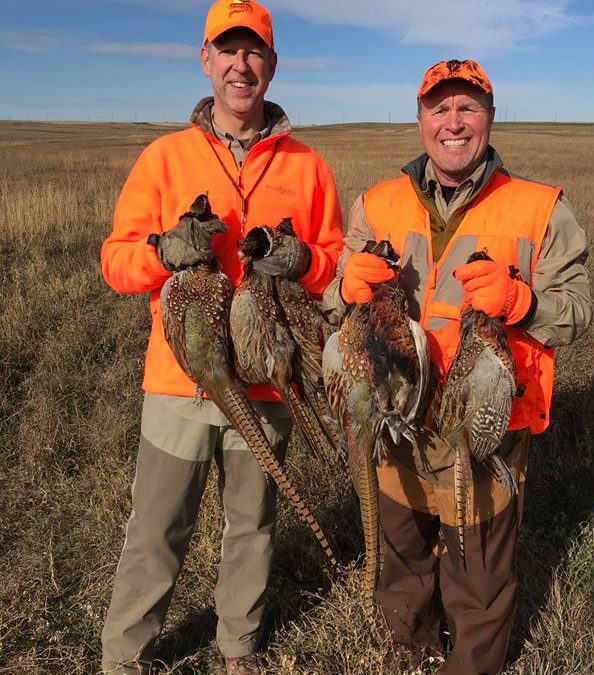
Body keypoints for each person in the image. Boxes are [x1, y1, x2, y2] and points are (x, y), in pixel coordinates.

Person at [322, 59, 592, 675]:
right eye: (439, 108)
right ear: (419, 120)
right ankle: (409, 651)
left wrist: (522, 302)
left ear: (490, 118)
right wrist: (346, 284)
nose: (453, 122)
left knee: (477, 574)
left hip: (480, 421)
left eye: (467, 107)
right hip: (396, 416)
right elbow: (334, 302)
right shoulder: (377, 203)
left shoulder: (538, 207)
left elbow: (578, 313)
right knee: (403, 552)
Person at [99, 1, 343, 673]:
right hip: (180, 382)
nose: (241, 65)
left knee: (253, 524)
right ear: (206, 61)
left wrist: (302, 261)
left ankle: (239, 646)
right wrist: (163, 250)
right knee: (155, 531)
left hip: (266, 378)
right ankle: (125, 657)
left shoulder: (307, 166)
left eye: (254, 50)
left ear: (271, 64)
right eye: (227, 50)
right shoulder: (164, 158)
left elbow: (335, 265)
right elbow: (115, 260)